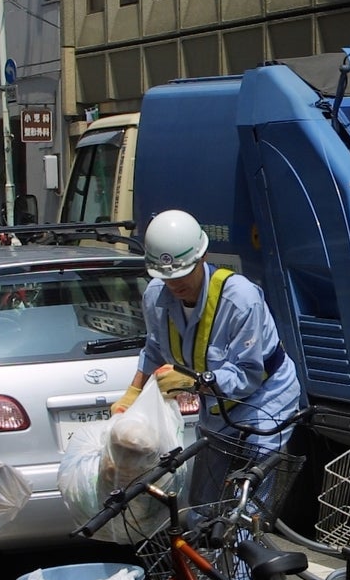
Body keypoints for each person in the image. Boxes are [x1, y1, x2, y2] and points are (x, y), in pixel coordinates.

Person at [112, 208, 302, 505]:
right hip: (216, 406)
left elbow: (247, 374)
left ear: (202, 257)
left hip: (266, 401)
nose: (175, 284)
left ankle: (243, 544)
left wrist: (194, 381)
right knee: (204, 503)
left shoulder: (240, 299)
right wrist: (132, 393)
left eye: (183, 273)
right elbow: (153, 349)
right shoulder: (156, 297)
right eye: (166, 276)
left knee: (246, 504)